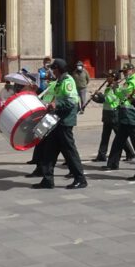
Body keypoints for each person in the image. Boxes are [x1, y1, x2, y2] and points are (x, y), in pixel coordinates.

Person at [33, 59, 86, 189]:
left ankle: (80, 179)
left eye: (54, 69)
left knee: (69, 152)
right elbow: (53, 97)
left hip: (65, 122)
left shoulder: (68, 81)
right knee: (49, 151)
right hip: (56, 121)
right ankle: (47, 179)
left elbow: (71, 102)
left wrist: (56, 105)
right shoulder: (59, 82)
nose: (52, 71)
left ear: (59, 69)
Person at [106, 64, 135, 170]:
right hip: (124, 112)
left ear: (132, 70)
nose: (125, 74)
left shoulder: (134, 81)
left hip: (132, 113)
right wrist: (117, 89)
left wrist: (117, 88)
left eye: (126, 71)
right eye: (124, 72)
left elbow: (125, 93)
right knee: (118, 141)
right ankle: (112, 164)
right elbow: (120, 95)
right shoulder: (127, 82)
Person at [94, 71, 134, 163]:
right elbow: (103, 100)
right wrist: (95, 98)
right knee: (105, 136)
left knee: (120, 136)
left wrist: (99, 94)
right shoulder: (108, 88)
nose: (107, 78)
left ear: (114, 78)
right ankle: (101, 155)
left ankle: (130, 152)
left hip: (114, 114)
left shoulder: (116, 88)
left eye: (109, 77)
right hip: (107, 113)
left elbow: (109, 99)